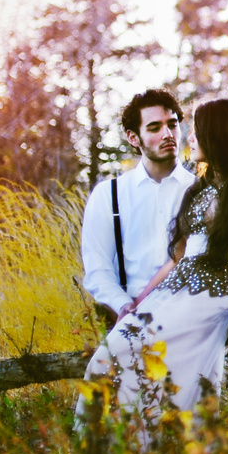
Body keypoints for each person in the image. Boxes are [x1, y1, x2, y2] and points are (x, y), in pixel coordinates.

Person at [83, 98, 228, 418]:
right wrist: (136, 304)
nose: (187, 137)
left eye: (196, 131)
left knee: (175, 383)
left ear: (217, 135)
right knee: (107, 358)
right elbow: (176, 260)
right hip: (170, 292)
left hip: (211, 297)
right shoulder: (197, 190)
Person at [81, 89, 194, 331]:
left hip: (190, 320)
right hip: (130, 325)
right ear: (133, 137)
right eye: (154, 128)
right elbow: (97, 269)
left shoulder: (199, 190)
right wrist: (123, 307)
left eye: (172, 125)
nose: (168, 134)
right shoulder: (108, 195)